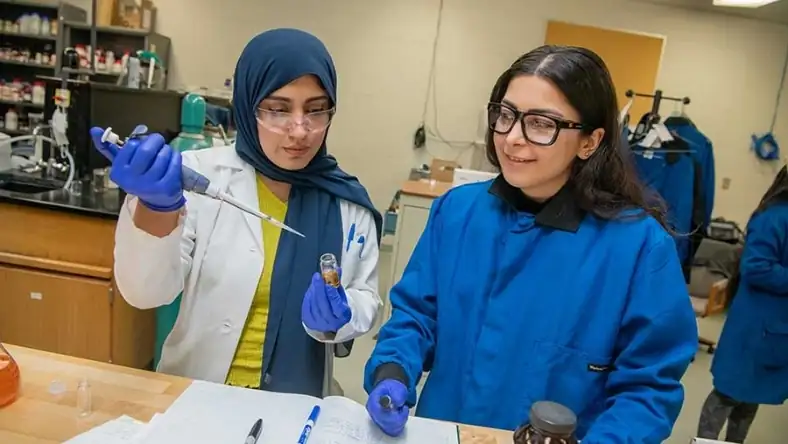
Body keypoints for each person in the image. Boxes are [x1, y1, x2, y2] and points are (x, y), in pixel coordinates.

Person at [364, 45, 698, 443]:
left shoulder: (639, 248)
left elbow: (647, 390)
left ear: (590, 141)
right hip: (444, 431)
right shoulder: (458, 212)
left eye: (541, 124)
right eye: (505, 116)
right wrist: (393, 371)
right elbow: (416, 316)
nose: (512, 139)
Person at [90, 28, 382, 398]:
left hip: (295, 404)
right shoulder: (195, 176)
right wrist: (154, 209)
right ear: (246, 105)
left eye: (315, 109)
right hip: (196, 395)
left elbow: (366, 297)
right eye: (278, 109)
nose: (300, 130)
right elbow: (145, 294)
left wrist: (343, 314)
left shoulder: (347, 201)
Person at [697, 166, 788, 443]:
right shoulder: (774, 218)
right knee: (727, 394)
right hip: (755, 329)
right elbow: (756, 268)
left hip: (775, 329)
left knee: (751, 399)